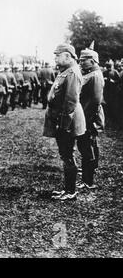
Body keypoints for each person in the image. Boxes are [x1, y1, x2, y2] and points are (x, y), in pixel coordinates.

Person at [43, 44, 86, 201]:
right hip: (63, 119)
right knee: (66, 154)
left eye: (58, 55)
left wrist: (64, 126)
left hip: (68, 121)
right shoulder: (66, 71)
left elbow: (70, 102)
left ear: (67, 56)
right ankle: (68, 189)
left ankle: (70, 191)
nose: (55, 58)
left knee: (67, 155)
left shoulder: (72, 73)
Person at [76, 48, 105, 190]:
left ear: (92, 61)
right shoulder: (91, 74)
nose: (80, 62)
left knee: (87, 146)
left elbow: (95, 101)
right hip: (86, 116)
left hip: (89, 117)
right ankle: (87, 177)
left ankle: (88, 180)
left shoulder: (95, 76)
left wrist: (88, 120)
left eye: (83, 60)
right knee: (85, 146)